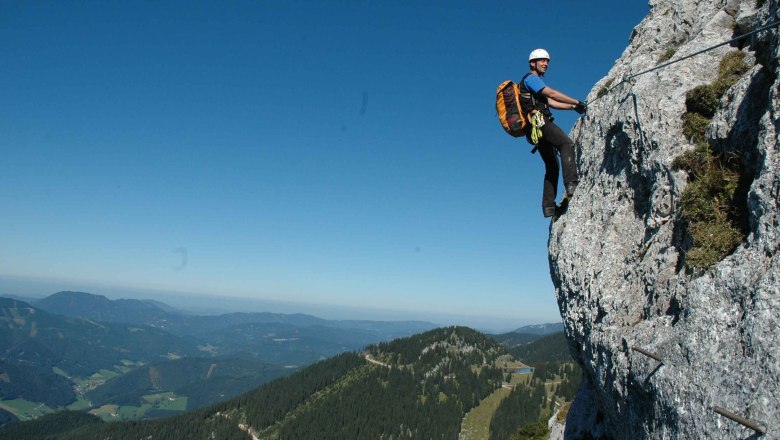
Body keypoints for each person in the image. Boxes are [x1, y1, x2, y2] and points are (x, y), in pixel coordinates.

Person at [519, 48, 587, 218]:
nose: (546, 64)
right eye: (542, 60)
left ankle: (548, 207)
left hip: (534, 129)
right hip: (540, 123)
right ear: (532, 63)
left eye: (547, 61)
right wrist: (576, 101)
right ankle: (572, 184)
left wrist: (572, 107)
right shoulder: (531, 79)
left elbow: (550, 102)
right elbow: (551, 93)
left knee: (552, 166)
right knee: (566, 144)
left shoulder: (532, 86)